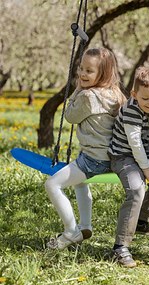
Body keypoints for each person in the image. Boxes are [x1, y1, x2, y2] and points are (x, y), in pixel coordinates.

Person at [45, 47, 126, 249]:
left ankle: (71, 231)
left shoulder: (87, 96)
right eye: (81, 68)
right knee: (80, 183)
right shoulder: (116, 94)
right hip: (114, 157)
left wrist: (77, 90)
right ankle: (85, 226)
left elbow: (70, 116)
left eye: (89, 71)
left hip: (93, 159)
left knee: (52, 185)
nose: (82, 74)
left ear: (103, 73)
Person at [108, 66, 149, 268]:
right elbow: (134, 143)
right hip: (123, 156)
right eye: (145, 99)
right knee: (136, 190)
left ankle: (143, 221)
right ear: (134, 95)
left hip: (141, 155)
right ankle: (120, 247)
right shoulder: (133, 110)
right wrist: (146, 169)